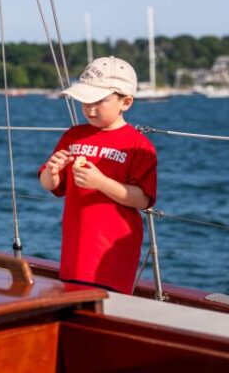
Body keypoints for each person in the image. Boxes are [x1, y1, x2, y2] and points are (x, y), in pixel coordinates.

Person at [39, 56, 157, 294]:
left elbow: (143, 199)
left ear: (126, 102)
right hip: (76, 248)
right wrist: (52, 171)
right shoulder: (73, 136)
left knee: (108, 305)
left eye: (99, 101)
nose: (90, 109)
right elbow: (52, 186)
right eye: (85, 101)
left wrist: (101, 182)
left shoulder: (139, 146)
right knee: (75, 304)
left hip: (113, 251)